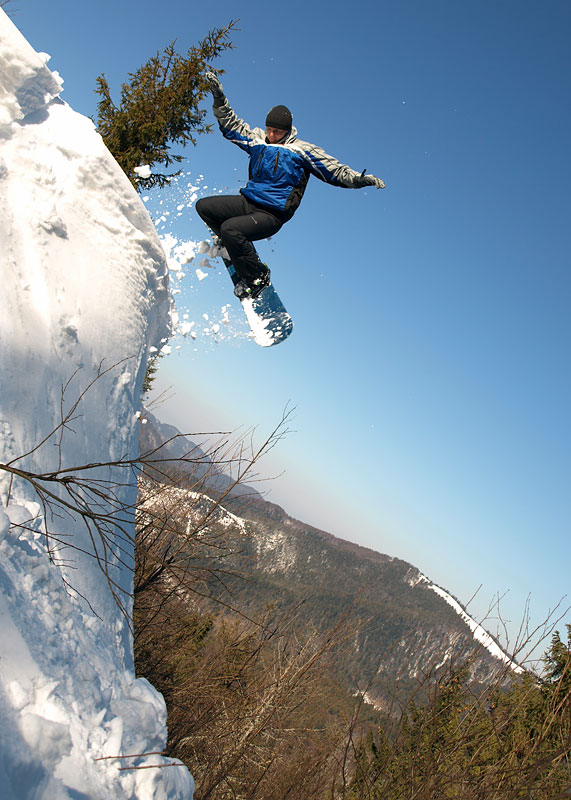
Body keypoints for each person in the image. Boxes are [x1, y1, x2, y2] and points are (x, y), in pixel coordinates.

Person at [196, 72, 386, 300]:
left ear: (287, 131)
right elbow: (231, 125)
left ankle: (258, 276)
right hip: (247, 203)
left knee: (231, 229)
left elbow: (334, 169)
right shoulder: (257, 140)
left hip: (271, 214)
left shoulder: (301, 150)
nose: (272, 134)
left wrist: (358, 179)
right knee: (204, 207)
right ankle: (230, 245)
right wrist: (219, 99)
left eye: (277, 131)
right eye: (269, 129)